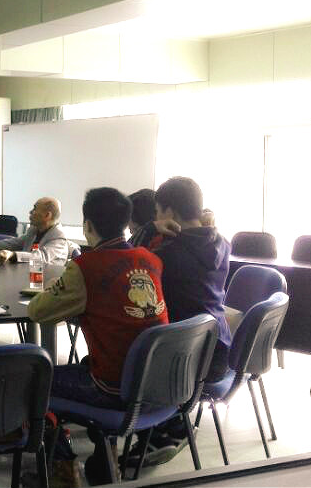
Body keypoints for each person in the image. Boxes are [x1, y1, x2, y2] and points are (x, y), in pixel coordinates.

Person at [27, 188, 168, 485]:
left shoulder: (86, 267)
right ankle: (106, 462)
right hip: (156, 384)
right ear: (126, 223)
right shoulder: (151, 260)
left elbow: (38, 311)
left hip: (113, 388)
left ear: (88, 225)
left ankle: (63, 471)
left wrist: (58, 290)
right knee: (86, 364)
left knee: (32, 382)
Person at [125, 177, 231, 468]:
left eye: (158, 212)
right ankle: (171, 426)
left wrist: (149, 229)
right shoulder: (223, 243)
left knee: (124, 355)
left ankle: (159, 429)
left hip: (185, 360)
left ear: (169, 212)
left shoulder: (165, 256)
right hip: (217, 350)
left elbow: (124, 261)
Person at [0, 197, 69, 264]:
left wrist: (12, 255)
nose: (30, 212)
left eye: (35, 209)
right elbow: (13, 243)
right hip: (26, 276)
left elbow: (41, 257)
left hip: (45, 284)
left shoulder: (59, 237)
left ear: (47, 215)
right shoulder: (34, 230)